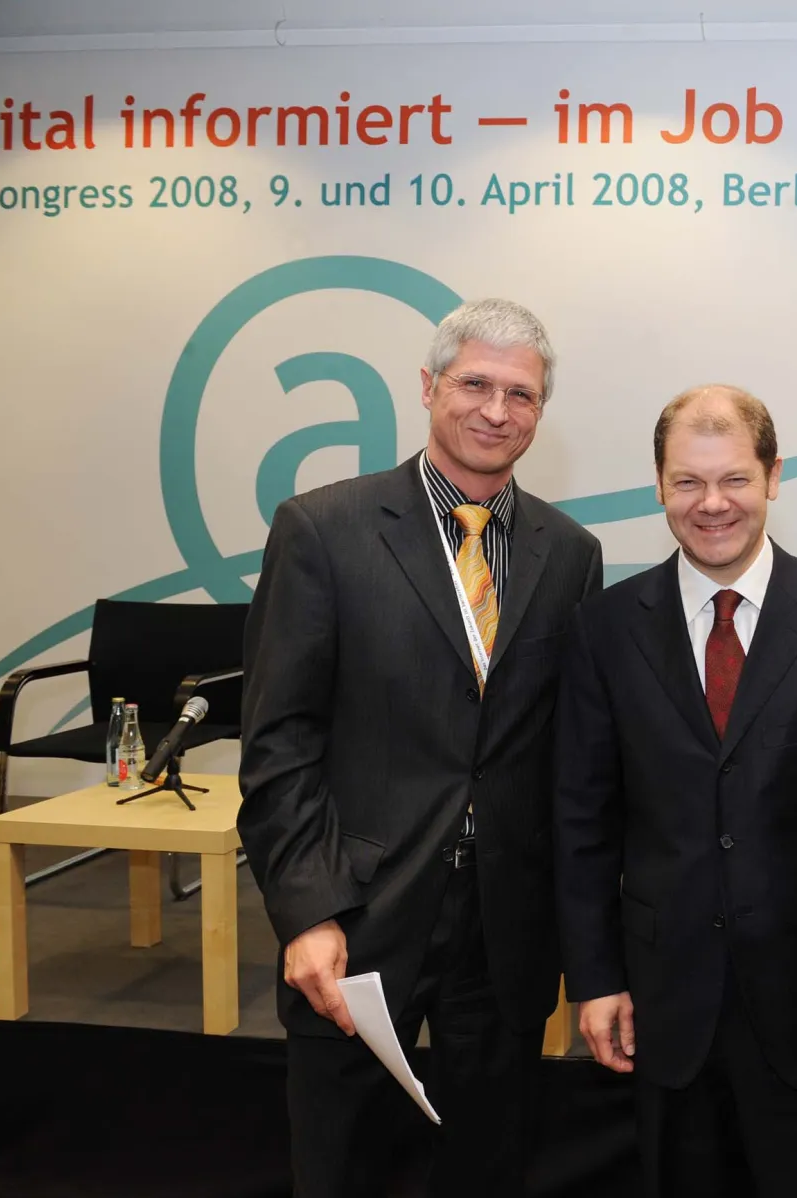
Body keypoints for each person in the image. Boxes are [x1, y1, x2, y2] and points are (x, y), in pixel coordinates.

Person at [239, 298, 603, 1196]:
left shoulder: (570, 552)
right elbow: (279, 743)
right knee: (342, 1161)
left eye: (521, 394)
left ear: (540, 411)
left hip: (508, 925)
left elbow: (567, 754)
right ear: (429, 387)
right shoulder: (323, 530)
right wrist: (307, 911)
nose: (496, 410)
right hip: (360, 916)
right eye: (475, 384)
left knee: (492, 1161)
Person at [554, 384, 797, 1197]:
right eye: (687, 482)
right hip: (661, 1001)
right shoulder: (603, 628)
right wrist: (596, 977)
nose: (712, 505)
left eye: (735, 479)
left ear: (774, 477)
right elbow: (581, 820)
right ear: (660, 486)